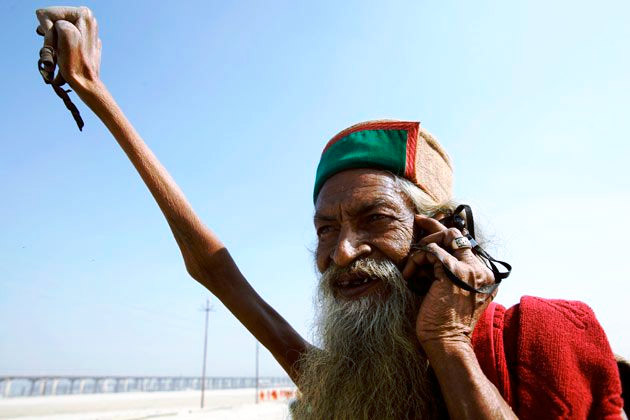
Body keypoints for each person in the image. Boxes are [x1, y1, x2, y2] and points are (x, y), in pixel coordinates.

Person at [34, 7, 624, 419]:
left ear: (440, 233)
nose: (341, 252)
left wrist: (449, 345)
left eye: (375, 221)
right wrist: (96, 93)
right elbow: (215, 269)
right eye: (325, 229)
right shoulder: (349, 386)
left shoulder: (544, 336)